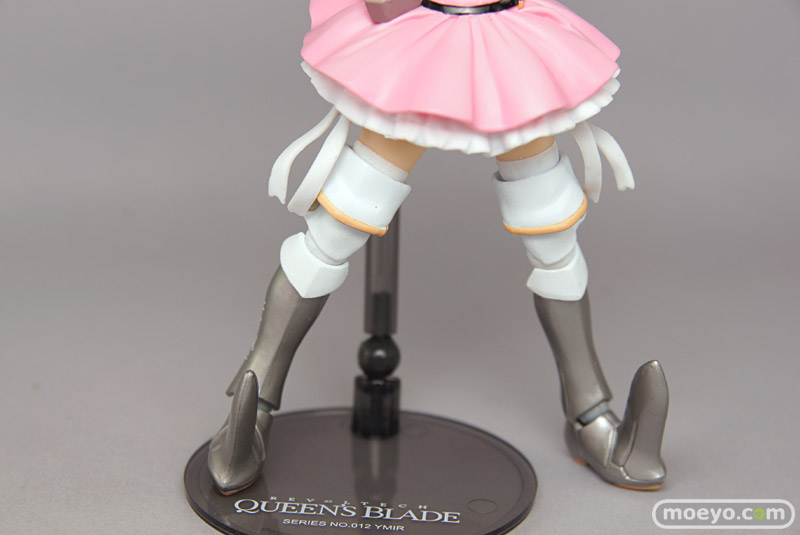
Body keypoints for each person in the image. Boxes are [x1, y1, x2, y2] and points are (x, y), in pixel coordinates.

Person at [207, 0, 669, 494]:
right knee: (333, 231)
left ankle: (591, 416)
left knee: (553, 234)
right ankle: (253, 405)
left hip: (509, 49)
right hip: (422, 49)